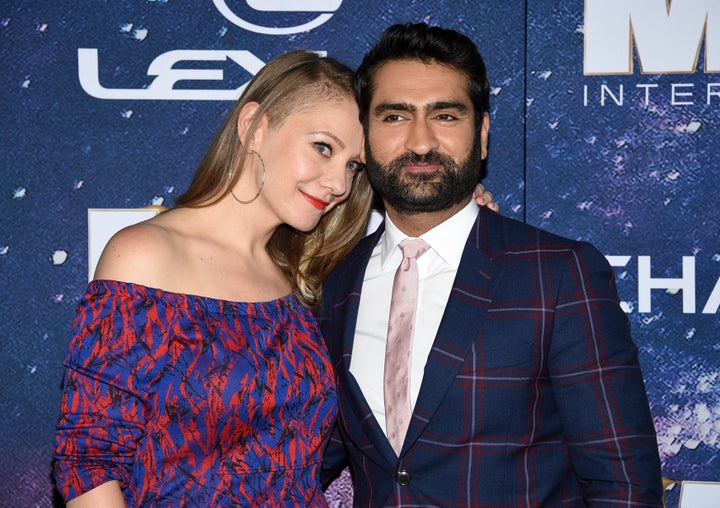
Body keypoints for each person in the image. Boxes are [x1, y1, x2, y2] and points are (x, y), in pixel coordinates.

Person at [52, 48, 496, 507]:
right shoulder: (145, 255)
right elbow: (88, 462)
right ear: (253, 126)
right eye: (323, 147)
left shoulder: (304, 277)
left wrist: (457, 216)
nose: (339, 184)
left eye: (352, 166)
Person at [318, 23, 664, 506]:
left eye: (445, 115)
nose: (420, 142)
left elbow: (623, 487)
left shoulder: (558, 274)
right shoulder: (335, 284)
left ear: (481, 134)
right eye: (395, 116)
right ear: (366, 134)